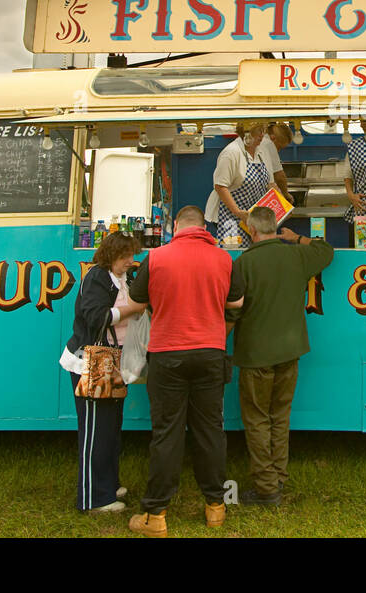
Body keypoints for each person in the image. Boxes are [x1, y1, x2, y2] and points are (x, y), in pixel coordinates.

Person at [124, 206, 244, 537]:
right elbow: (236, 303)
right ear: (203, 227)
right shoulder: (224, 259)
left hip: (167, 354)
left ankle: (156, 514)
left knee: (167, 433)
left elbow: (137, 298)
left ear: (176, 226)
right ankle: (215, 508)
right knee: (210, 431)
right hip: (210, 352)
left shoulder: (157, 257)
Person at [232, 206, 335, 505]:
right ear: (275, 228)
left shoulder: (243, 263)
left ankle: (266, 489)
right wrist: (297, 238)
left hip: (256, 354)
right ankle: (278, 477)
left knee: (257, 419)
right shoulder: (295, 255)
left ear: (251, 230)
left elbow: (232, 309)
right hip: (290, 351)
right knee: (280, 416)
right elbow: (326, 251)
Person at [58, 231, 146, 513]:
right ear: (110, 256)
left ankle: (107, 484)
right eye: (124, 257)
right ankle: (93, 498)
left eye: (132, 256)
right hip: (93, 361)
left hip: (113, 360)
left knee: (110, 428)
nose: (130, 262)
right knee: (95, 430)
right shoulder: (96, 277)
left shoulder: (121, 278)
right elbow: (96, 316)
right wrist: (131, 309)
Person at [205, 121, 271, 248]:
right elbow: (220, 186)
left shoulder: (261, 152)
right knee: (235, 257)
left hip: (253, 219)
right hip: (231, 218)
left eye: (264, 131)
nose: (262, 135)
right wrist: (238, 212)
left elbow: (270, 183)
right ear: (246, 132)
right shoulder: (231, 153)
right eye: (258, 131)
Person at [262, 122, 293, 199]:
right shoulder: (268, 144)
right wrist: (286, 194)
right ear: (273, 138)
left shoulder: (262, 141)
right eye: (279, 147)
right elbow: (279, 176)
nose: (278, 151)